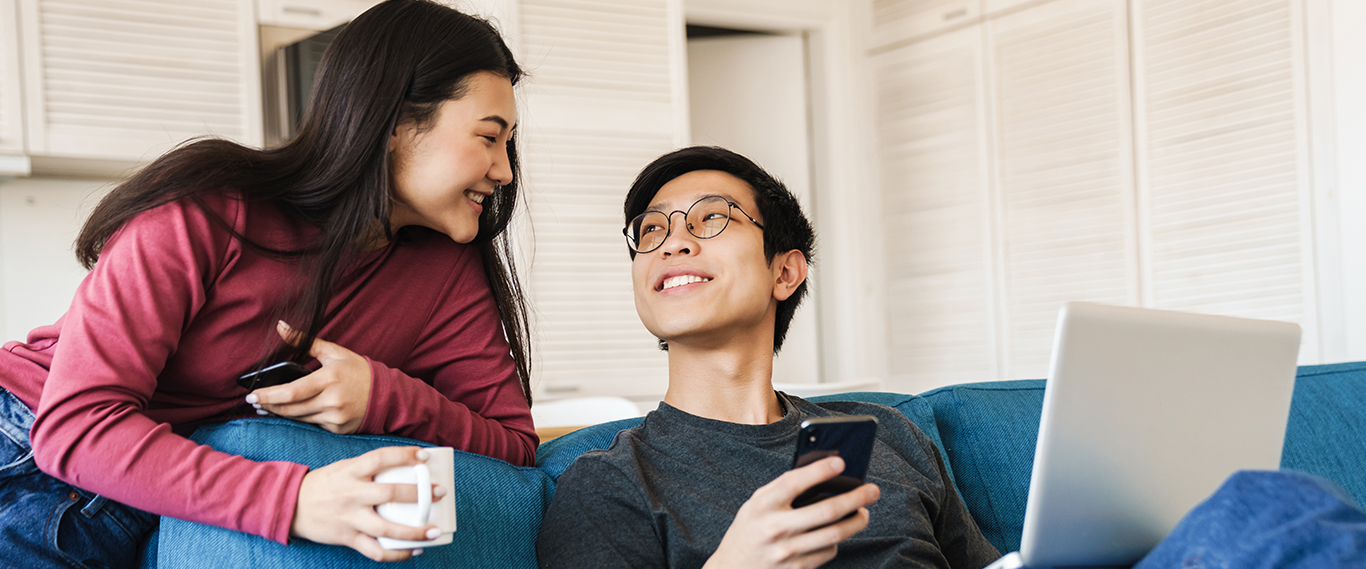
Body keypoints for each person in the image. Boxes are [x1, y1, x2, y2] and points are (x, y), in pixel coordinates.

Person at [0, 0, 537, 566]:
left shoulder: (445, 272)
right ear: (394, 126)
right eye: (488, 137)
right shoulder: (210, 209)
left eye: (508, 143)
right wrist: (296, 500)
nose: (504, 170)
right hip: (28, 449)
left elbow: (515, 450)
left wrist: (384, 398)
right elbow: (76, 425)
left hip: (168, 494)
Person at [535, 146, 1001, 568]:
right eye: (653, 228)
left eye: (712, 218)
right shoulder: (608, 485)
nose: (672, 242)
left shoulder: (890, 437)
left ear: (784, 272)